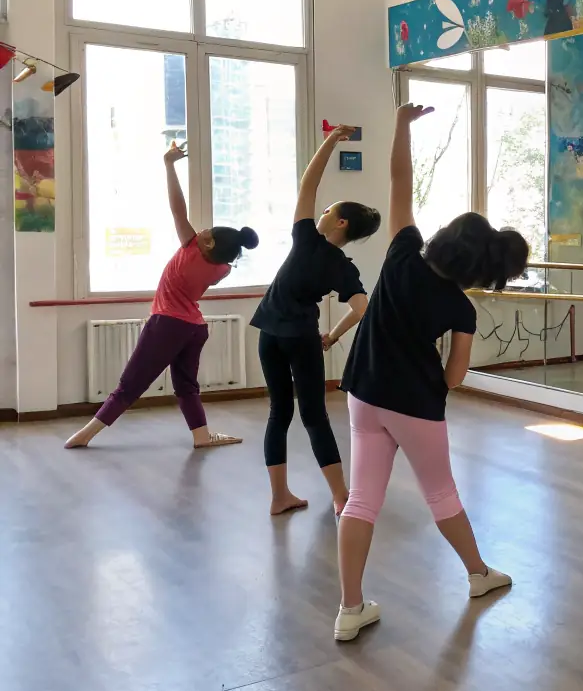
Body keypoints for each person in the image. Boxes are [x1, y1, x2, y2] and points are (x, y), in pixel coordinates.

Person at [333, 102, 528, 642]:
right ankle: (478, 574)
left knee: (361, 500)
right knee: (441, 494)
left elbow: (399, 178)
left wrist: (399, 124)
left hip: (363, 394)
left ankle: (350, 607)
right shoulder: (460, 308)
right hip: (415, 403)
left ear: (442, 238)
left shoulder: (400, 254)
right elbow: (454, 379)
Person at [65, 143, 257, 450]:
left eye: (206, 232)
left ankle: (85, 435)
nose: (202, 229)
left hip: (168, 324)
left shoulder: (190, 248)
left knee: (130, 385)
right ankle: (202, 436)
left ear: (206, 243)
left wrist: (169, 164)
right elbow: (213, 245)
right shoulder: (222, 269)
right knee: (185, 386)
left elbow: (176, 207)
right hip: (195, 328)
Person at [252, 125, 381, 516]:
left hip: (270, 334)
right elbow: (362, 308)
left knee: (279, 412)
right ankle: (341, 496)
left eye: (330, 210)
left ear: (340, 223)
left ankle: (279, 497)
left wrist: (328, 142)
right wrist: (334, 335)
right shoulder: (342, 268)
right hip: (301, 338)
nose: (321, 210)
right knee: (314, 416)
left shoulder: (304, 237)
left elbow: (309, 182)